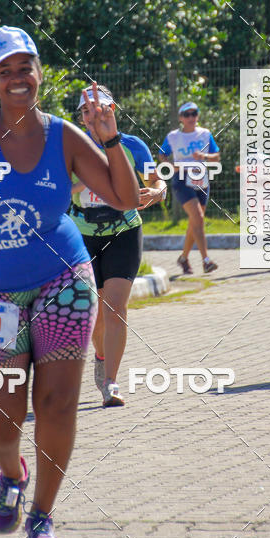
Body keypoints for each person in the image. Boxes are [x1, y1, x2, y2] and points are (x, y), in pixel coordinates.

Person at [0, 26, 139, 538]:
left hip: (65, 281)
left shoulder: (64, 135)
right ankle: (13, 474)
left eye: (25, 68)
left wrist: (109, 137)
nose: (17, 78)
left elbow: (124, 198)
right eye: (4, 70)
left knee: (58, 403)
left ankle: (42, 514)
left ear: (39, 73)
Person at [69, 85, 167, 407]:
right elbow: (61, 190)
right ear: (81, 117)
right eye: (86, 111)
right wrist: (94, 169)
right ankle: (100, 354)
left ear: (113, 110)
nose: (93, 116)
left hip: (124, 229)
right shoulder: (71, 146)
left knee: (115, 306)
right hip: (83, 233)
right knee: (93, 313)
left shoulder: (132, 145)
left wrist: (156, 193)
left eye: (100, 109)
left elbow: (157, 180)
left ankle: (110, 382)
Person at [159, 102, 220, 275]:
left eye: (194, 113)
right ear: (181, 118)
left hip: (201, 179)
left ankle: (183, 258)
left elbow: (216, 157)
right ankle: (206, 260)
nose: (191, 117)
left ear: (198, 116)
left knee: (195, 221)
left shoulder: (205, 134)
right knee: (198, 218)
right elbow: (161, 154)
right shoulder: (173, 136)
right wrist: (172, 165)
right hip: (181, 180)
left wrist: (204, 156)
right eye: (186, 114)